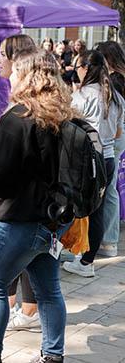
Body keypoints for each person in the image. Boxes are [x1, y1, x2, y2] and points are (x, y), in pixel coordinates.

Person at [0, 49, 74, 363]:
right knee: (49, 289)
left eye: (14, 72)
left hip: (18, 218)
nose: (9, 77)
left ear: (25, 76)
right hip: (51, 219)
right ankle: (52, 356)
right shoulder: (62, 115)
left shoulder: (17, 117)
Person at [0, 34, 42, 333]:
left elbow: (7, 168)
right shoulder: (39, 106)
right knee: (45, 281)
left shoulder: (21, 111)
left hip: (17, 207)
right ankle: (45, 342)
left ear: (19, 61)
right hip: (38, 209)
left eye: (3, 54)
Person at [63, 50, 124, 277]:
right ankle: (86, 261)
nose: (76, 71)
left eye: (78, 66)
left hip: (85, 160)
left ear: (86, 69)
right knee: (95, 211)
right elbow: (118, 133)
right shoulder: (116, 97)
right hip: (107, 158)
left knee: (73, 206)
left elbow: (68, 129)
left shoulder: (82, 96)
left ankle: (72, 252)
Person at [95, 41, 125, 257]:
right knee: (111, 187)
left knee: (109, 189)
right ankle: (109, 241)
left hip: (115, 135)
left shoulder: (115, 80)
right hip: (119, 134)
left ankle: (108, 241)